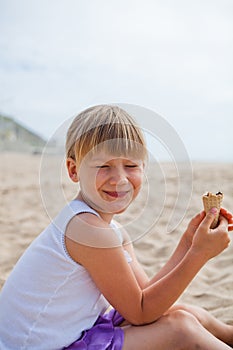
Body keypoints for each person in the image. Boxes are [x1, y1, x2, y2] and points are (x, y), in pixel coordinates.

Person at [0, 105, 232, 350]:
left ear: (143, 168)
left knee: (183, 312)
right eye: (104, 166)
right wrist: (199, 254)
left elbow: (147, 293)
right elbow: (140, 312)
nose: (120, 178)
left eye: (131, 166)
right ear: (73, 170)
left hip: (68, 333)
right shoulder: (87, 230)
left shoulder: (108, 228)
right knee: (181, 330)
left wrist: (188, 243)